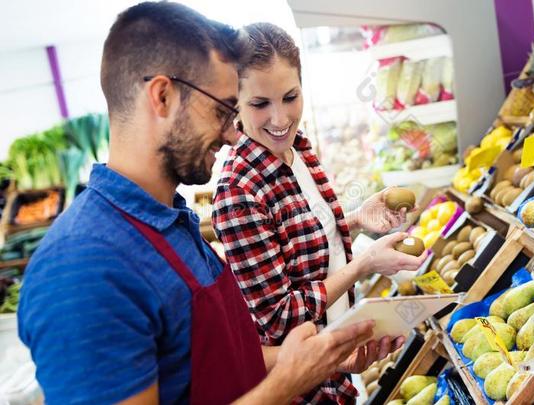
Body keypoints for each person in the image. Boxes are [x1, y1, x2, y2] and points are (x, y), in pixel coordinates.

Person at [17, 3, 380, 404]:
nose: (233, 135)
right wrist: (286, 384)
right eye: (223, 110)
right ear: (163, 96)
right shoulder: (83, 268)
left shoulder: (171, 225)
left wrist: (320, 360)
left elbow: (222, 365)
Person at [212, 23, 427, 404]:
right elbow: (280, 317)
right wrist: (364, 265)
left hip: (335, 376)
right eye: (260, 104)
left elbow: (296, 242)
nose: (280, 119)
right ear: (234, 103)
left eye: (290, 96)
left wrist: (356, 217)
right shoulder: (238, 192)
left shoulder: (297, 152)